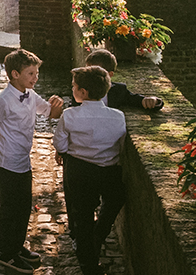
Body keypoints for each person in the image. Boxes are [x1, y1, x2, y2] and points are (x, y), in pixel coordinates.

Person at [0, 49, 65, 273]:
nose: (35, 77)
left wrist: (57, 105)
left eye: (36, 72)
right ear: (15, 74)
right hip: (6, 162)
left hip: (22, 161)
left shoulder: (30, 95)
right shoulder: (3, 101)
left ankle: (16, 247)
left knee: (23, 207)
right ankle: (6, 254)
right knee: (8, 209)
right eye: (31, 73)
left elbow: (50, 113)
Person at [53, 65, 127, 275]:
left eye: (74, 86)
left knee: (83, 216)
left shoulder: (69, 115)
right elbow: (119, 144)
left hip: (80, 169)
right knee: (114, 199)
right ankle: (100, 232)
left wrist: (70, 150)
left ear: (83, 92)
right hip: (109, 170)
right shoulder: (118, 116)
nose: (72, 89)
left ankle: (89, 265)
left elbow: (59, 143)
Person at [82, 50, 165, 110]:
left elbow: (135, 100)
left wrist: (153, 100)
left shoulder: (118, 90)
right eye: (87, 71)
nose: (89, 76)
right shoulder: (81, 89)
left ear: (109, 75)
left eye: (95, 73)